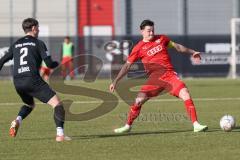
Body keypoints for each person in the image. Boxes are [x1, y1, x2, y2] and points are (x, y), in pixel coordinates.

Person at [109, 19, 208, 133]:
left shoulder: (162, 39)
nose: (151, 33)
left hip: (169, 75)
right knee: (138, 101)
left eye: (153, 30)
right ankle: (127, 126)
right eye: (148, 31)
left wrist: (192, 52)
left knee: (185, 93)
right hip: (154, 79)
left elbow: (177, 47)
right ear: (142, 31)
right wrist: (116, 81)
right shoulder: (138, 48)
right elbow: (127, 66)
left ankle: (196, 124)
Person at [0, 18, 71, 142]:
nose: (38, 30)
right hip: (32, 80)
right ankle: (60, 135)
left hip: (17, 82)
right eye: (37, 27)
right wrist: (57, 64)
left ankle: (18, 120)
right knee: (58, 105)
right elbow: (49, 63)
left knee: (29, 104)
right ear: (33, 28)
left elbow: (2, 61)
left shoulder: (16, 44)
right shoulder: (38, 43)